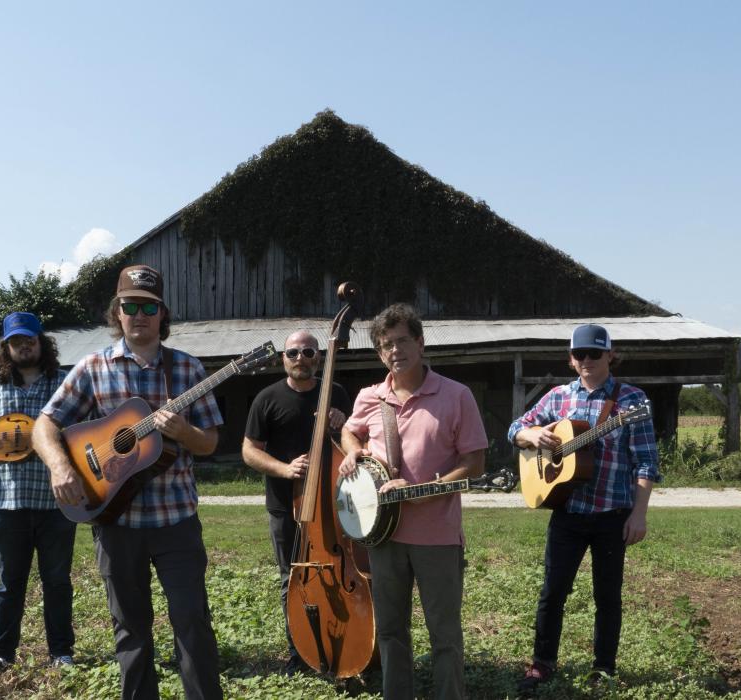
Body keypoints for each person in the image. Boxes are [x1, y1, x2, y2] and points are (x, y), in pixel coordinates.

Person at [32, 265, 224, 700]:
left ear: (162, 315)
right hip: (115, 523)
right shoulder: (92, 368)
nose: (139, 315)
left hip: (176, 520)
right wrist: (62, 468)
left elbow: (210, 441)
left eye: (149, 307)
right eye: (129, 306)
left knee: (192, 620)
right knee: (131, 631)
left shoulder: (189, 369)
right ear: (116, 312)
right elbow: (44, 425)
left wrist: (184, 434)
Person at [338, 303, 488, 700]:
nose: (394, 350)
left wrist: (424, 489)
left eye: (403, 340)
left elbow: (474, 463)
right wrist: (351, 451)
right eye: (386, 345)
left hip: (437, 536)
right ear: (379, 353)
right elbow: (350, 433)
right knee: (390, 631)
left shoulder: (456, 395)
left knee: (444, 634)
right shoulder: (370, 397)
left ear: (420, 343)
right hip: (382, 535)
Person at [507, 323, 661, 693]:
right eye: (580, 354)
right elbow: (516, 428)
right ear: (571, 360)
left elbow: (646, 463)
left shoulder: (632, 403)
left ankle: (603, 668)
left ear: (610, 355)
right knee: (552, 592)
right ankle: (542, 663)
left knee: (607, 596)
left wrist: (639, 514)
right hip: (568, 512)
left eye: (595, 353)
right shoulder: (557, 398)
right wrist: (531, 435)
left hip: (612, 515)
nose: (587, 360)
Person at [0, 311, 76, 679]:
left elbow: (81, 431)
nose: (23, 346)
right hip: (5, 501)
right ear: (6, 347)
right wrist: (4, 455)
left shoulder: (64, 383)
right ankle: (1, 653)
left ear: (41, 342)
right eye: (15, 341)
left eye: (29, 339)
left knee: (57, 581)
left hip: (56, 501)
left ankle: (61, 652)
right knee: (9, 582)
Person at [241, 330, 351, 675]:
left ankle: (345, 644)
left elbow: (354, 441)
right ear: (283, 359)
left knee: (343, 571)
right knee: (291, 577)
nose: (300, 358)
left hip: (333, 504)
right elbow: (249, 451)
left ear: (319, 356)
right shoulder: (267, 398)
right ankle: (298, 652)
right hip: (285, 504)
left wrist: (344, 422)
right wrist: (285, 469)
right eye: (293, 353)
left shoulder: (335, 392)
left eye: (307, 351)